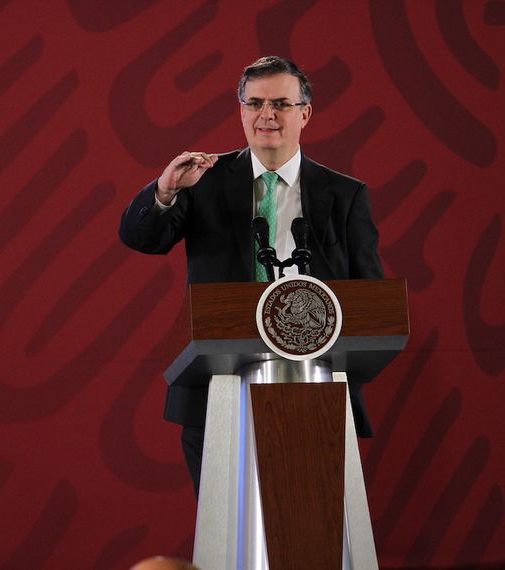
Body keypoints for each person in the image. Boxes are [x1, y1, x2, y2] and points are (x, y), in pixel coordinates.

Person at [118, 56, 384, 493]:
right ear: (241, 111)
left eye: (281, 103)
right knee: (228, 544)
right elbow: (141, 238)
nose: (268, 115)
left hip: (316, 392)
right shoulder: (200, 179)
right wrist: (164, 190)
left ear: (305, 113)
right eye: (255, 103)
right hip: (218, 391)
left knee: (310, 542)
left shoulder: (346, 195)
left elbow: (370, 304)